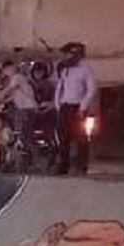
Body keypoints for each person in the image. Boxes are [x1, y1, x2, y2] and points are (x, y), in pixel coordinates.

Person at [54, 41, 98, 175]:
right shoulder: (65, 69)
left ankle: (81, 166)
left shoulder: (85, 69)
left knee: (81, 138)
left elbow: (92, 89)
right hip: (65, 106)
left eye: (67, 54)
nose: (65, 57)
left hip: (77, 107)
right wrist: (58, 103)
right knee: (63, 137)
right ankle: (63, 165)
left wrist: (83, 107)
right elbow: (60, 87)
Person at [0, 60, 39, 146]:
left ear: (10, 68)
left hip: (27, 108)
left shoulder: (17, 77)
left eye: (6, 70)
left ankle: (30, 151)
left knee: (24, 132)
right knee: (23, 131)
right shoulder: (16, 78)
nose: (5, 72)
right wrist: (3, 101)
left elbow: (9, 89)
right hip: (26, 108)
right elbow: (13, 95)